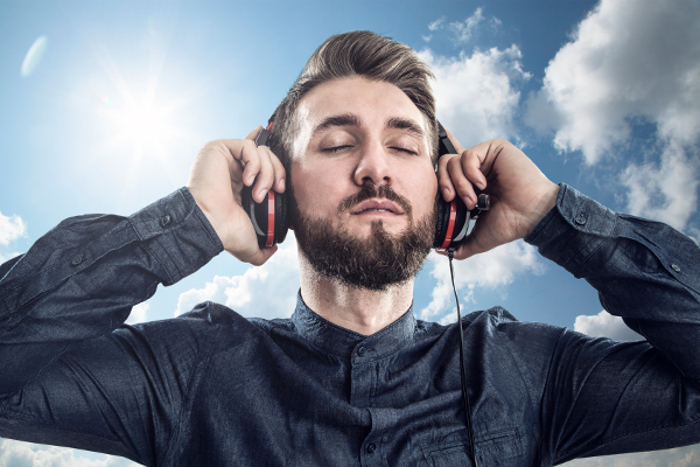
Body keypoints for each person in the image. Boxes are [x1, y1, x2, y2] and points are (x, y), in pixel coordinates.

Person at [1, 30, 699, 467]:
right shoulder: (185, 373)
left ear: (448, 192)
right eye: (336, 143)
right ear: (272, 184)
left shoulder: (530, 373)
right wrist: (192, 219)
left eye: (404, 145)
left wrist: (555, 216)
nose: (376, 167)